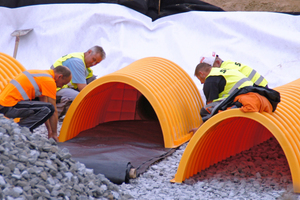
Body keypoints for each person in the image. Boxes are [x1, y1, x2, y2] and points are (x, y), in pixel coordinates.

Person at [0, 66, 72, 141]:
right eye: (63, 84)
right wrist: (54, 134)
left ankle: (22, 128)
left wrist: (50, 131)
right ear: (60, 77)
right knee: (49, 108)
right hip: (9, 106)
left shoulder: (41, 75)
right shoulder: (49, 81)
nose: (61, 86)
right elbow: (53, 111)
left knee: (46, 108)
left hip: (4, 104)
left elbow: (45, 111)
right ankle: (20, 129)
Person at [190, 62, 254, 134]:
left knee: (206, 110)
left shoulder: (210, 80)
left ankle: (211, 134)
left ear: (201, 73)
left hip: (243, 97)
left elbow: (210, 110)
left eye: (199, 79)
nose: (201, 83)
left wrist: (199, 130)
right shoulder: (220, 71)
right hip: (252, 94)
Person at [51, 46, 106, 118]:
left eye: (97, 63)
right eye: (93, 59)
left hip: (64, 87)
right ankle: (58, 116)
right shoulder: (77, 62)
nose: (94, 64)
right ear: (89, 52)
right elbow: (83, 89)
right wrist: (98, 101)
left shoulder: (83, 62)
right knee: (80, 98)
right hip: (56, 89)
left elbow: (92, 81)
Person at [200, 52, 268, 87]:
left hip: (260, 89)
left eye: (210, 69)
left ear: (217, 62)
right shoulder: (228, 64)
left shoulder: (225, 71)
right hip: (262, 85)